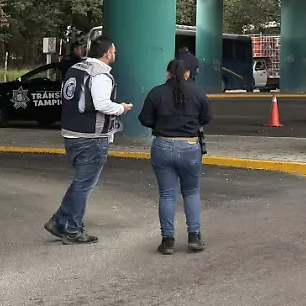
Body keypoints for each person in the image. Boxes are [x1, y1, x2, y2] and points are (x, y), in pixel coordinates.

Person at [44, 36, 132, 245]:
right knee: (84, 186)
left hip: (71, 134)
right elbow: (101, 104)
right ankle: (73, 230)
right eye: (114, 51)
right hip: (91, 138)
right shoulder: (100, 75)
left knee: (80, 183)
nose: (115, 54)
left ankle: (59, 221)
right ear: (107, 53)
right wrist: (121, 108)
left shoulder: (76, 69)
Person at [139, 58, 213, 255]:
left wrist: (160, 124)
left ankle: (168, 241)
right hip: (189, 145)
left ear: (167, 74)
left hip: (162, 145)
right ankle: (194, 236)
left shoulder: (156, 93)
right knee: (191, 192)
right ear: (187, 74)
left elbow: (144, 118)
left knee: (167, 194)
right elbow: (206, 117)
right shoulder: (198, 92)